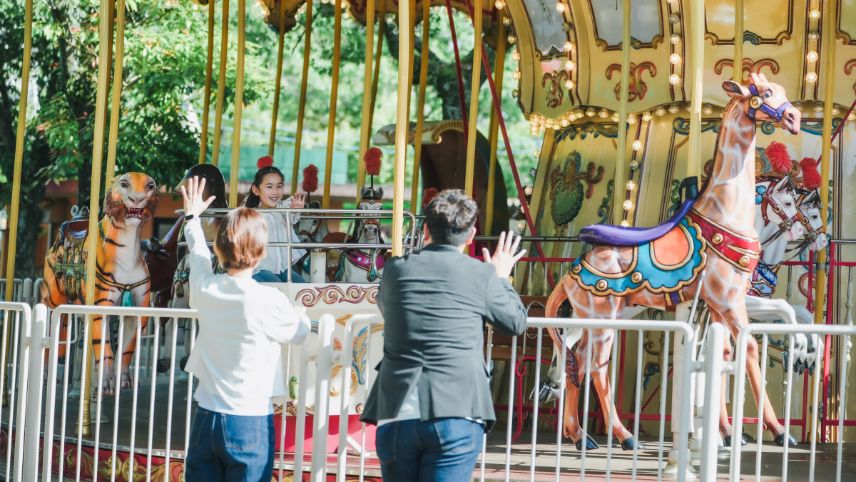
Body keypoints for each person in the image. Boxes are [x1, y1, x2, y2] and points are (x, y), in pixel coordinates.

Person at [361, 189, 528, 481]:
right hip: (457, 407)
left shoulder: (395, 271)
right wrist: (501, 276)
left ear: (425, 229)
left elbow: (391, 311)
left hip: (398, 408)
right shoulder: (481, 274)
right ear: (471, 234)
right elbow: (514, 322)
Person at [180, 176, 310, 482]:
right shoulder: (268, 299)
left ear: (220, 248)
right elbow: (299, 332)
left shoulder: (206, 289)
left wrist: (192, 218)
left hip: (206, 415)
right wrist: (300, 311)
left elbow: (198, 256)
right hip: (249, 421)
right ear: (262, 252)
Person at [244, 157, 307, 283]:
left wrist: (295, 210)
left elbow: (292, 218)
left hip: (282, 269)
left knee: (301, 286)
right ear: (256, 190)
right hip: (258, 269)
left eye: (279, 187)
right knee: (277, 286)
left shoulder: (283, 209)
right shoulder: (251, 214)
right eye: (269, 187)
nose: (275, 192)